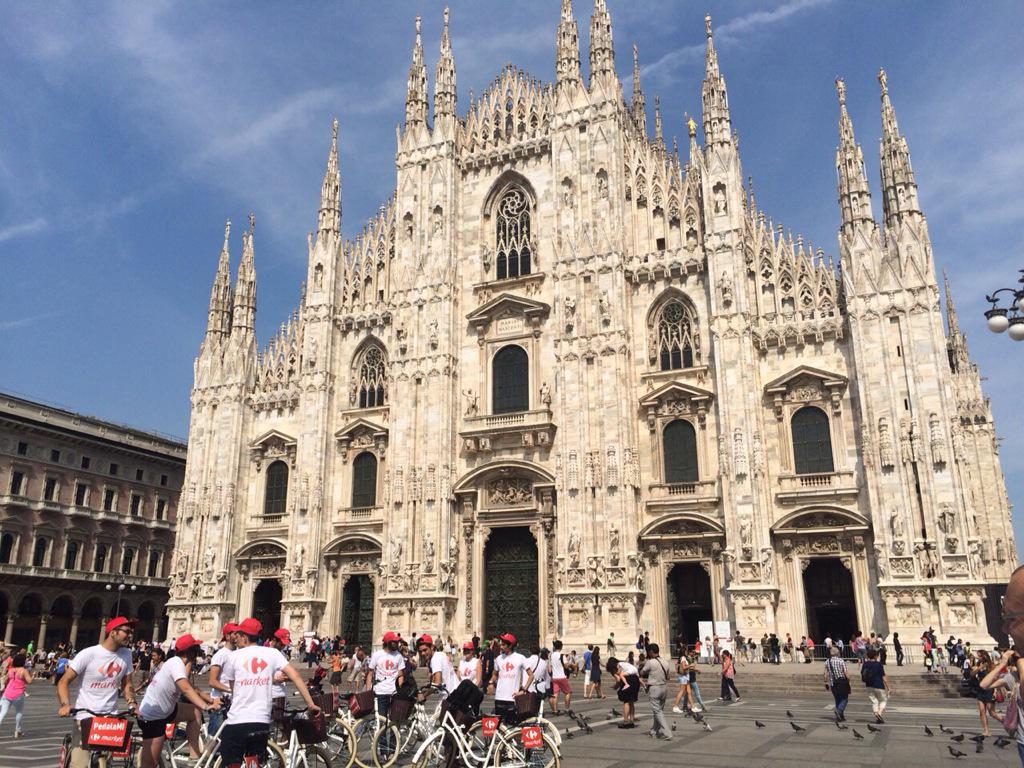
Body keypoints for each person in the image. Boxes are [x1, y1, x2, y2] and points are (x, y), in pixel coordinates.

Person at [218, 618, 320, 767]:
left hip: (237, 721)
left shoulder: (232, 657)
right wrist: (310, 704)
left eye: (238, 634)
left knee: (232, 763)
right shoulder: (272, 653)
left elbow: (234, 690)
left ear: (245, 636)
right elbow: (296, 676)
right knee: (254, 764)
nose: (235, 638)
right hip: (260, 722)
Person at [57, 617, 138, 768]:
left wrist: (132, 703)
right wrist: (66, 704)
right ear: (113, 632)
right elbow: (63, 682)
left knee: (106, 763)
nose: (130, 635)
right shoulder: (88, 654)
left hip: (110, 720)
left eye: (131, 632)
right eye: (127, 631)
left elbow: (127, 684)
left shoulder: (126, 654)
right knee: (79, 764)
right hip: (85, 718)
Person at [136, 635, 219, 768]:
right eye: (195, 649)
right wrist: (206, 706)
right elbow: (186, 689)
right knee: (150, 764)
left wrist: (209, 700)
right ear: (189, 651)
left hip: (167, 710)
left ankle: (194, 756)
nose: (198, 653)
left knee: (194, 712)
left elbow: (189, 686)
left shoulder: (175, 663)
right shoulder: (176, 663)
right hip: (153, 717)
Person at [490, 634, 533, 724]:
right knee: (500, 727)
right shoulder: (498, 659)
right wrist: (491, 682)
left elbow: (531, 675)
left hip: (512, 698)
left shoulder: (520, 658)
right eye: (501, 644)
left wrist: (523, 690)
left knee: (512, 726)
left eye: (503, 645)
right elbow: (494, 674)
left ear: (510, 645)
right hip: (499, 697)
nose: (501, 647)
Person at [207, 622, 238, 737]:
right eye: (235, 633)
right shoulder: (221, 655)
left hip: (232, 702)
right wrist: (231, 690)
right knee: (215, 740)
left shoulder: (237, 654)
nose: (238, 635)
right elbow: (212, 681)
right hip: (219, 702)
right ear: (228, 636)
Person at [365, 632, 405, 717]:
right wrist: (368, 691)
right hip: (380, 692)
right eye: (395, 642)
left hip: (394, 692)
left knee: (394, 718)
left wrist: (400, 689)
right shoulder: (377, 655)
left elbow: (401, 674)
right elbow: (370, 673)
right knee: (381, 719)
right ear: (388, 642)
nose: (398, 643)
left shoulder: (398, 656)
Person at [640, 644, 671, 740]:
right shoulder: (665, 662)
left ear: (651, 652)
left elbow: (642, 672)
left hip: (654, 689)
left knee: (657, 712)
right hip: (664, 688)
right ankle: (654, 731)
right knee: (658, 711)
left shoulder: (650, 662)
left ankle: (667, 732)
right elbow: (668, 677)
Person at [0, 653, 32, 738]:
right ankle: (17, 730)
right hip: (18, 694)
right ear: (23, 662)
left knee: (2, 712)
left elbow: (5, 680)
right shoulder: (23, 670)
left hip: (7, 693)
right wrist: (33, 676)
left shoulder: (11, 670)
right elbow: (29, 681)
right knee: (19, 712)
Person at [416, 635, 458, 701]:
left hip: (451, 696)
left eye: (425, 650)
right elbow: (435, 681)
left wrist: (424, 695)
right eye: (420, 651)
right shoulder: (440, 655)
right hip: (454, 693)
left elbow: (437, 683)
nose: (422, 653)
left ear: (432, 647)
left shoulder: (435, 659)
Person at [970, 650, 1000, 737]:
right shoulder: (979, 665)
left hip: (989, 690)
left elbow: (995, 679)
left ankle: (1005, 722)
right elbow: (971, 674)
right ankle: (986, 731)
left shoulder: (991, 665)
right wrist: (979, 668)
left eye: (979, 656)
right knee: (982, 712)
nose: (978, 657)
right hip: (980, 690)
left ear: (984, 656)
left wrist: (995, 691)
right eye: (978, 656)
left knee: (992, 713)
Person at [607, 656, 639, 728]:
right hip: (635, 679)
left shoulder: (615, 668)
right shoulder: (623, 664)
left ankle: (625, 722)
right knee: (631, 701)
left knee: (626, 702)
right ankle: (631, 721)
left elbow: (618, 680)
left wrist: (615, 686)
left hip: (628, 680)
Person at [860, 647, 890, 723]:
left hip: (869, 685)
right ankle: (879, 714)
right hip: (878, 685)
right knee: (883, 700)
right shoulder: (878, 664)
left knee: (874, 701)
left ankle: (876, 714)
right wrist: (888, 687)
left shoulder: (865, 664)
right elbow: (883, 676)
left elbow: (862, 673)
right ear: (875, 656)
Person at [824, 646, 851, 722]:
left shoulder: (827, 662)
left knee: (837, 699)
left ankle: (840, 716)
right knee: (845, 699)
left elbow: (825, 673)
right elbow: (845, 672)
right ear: (837, 653)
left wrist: (826, 682)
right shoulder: (841, 661)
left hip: (833, 683)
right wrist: (849, 679)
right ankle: (839, 711)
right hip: (842, 682)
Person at [548, 639, 571, 714]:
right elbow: (566, 666)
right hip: (562, 677)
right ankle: (567, 708)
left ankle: (555, 710)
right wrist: (568, 661)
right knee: (567, 692)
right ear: (561, 647)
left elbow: (550, 667)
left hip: (554, 677)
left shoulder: (551, 655)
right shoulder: (562, 656)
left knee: (555, 694)